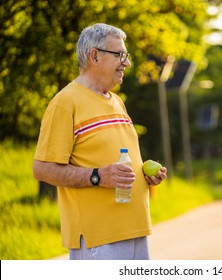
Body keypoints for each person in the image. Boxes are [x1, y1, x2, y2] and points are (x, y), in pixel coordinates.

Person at [33, 23, 167, 260]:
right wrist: (97, 176)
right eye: (120, 55)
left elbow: (116, 159)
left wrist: (143, 173)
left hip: (135, 231)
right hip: (99, 240)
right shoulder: (65, 103)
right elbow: (42, 169)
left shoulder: (116, 101)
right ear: (95, 55)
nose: (127, 63)